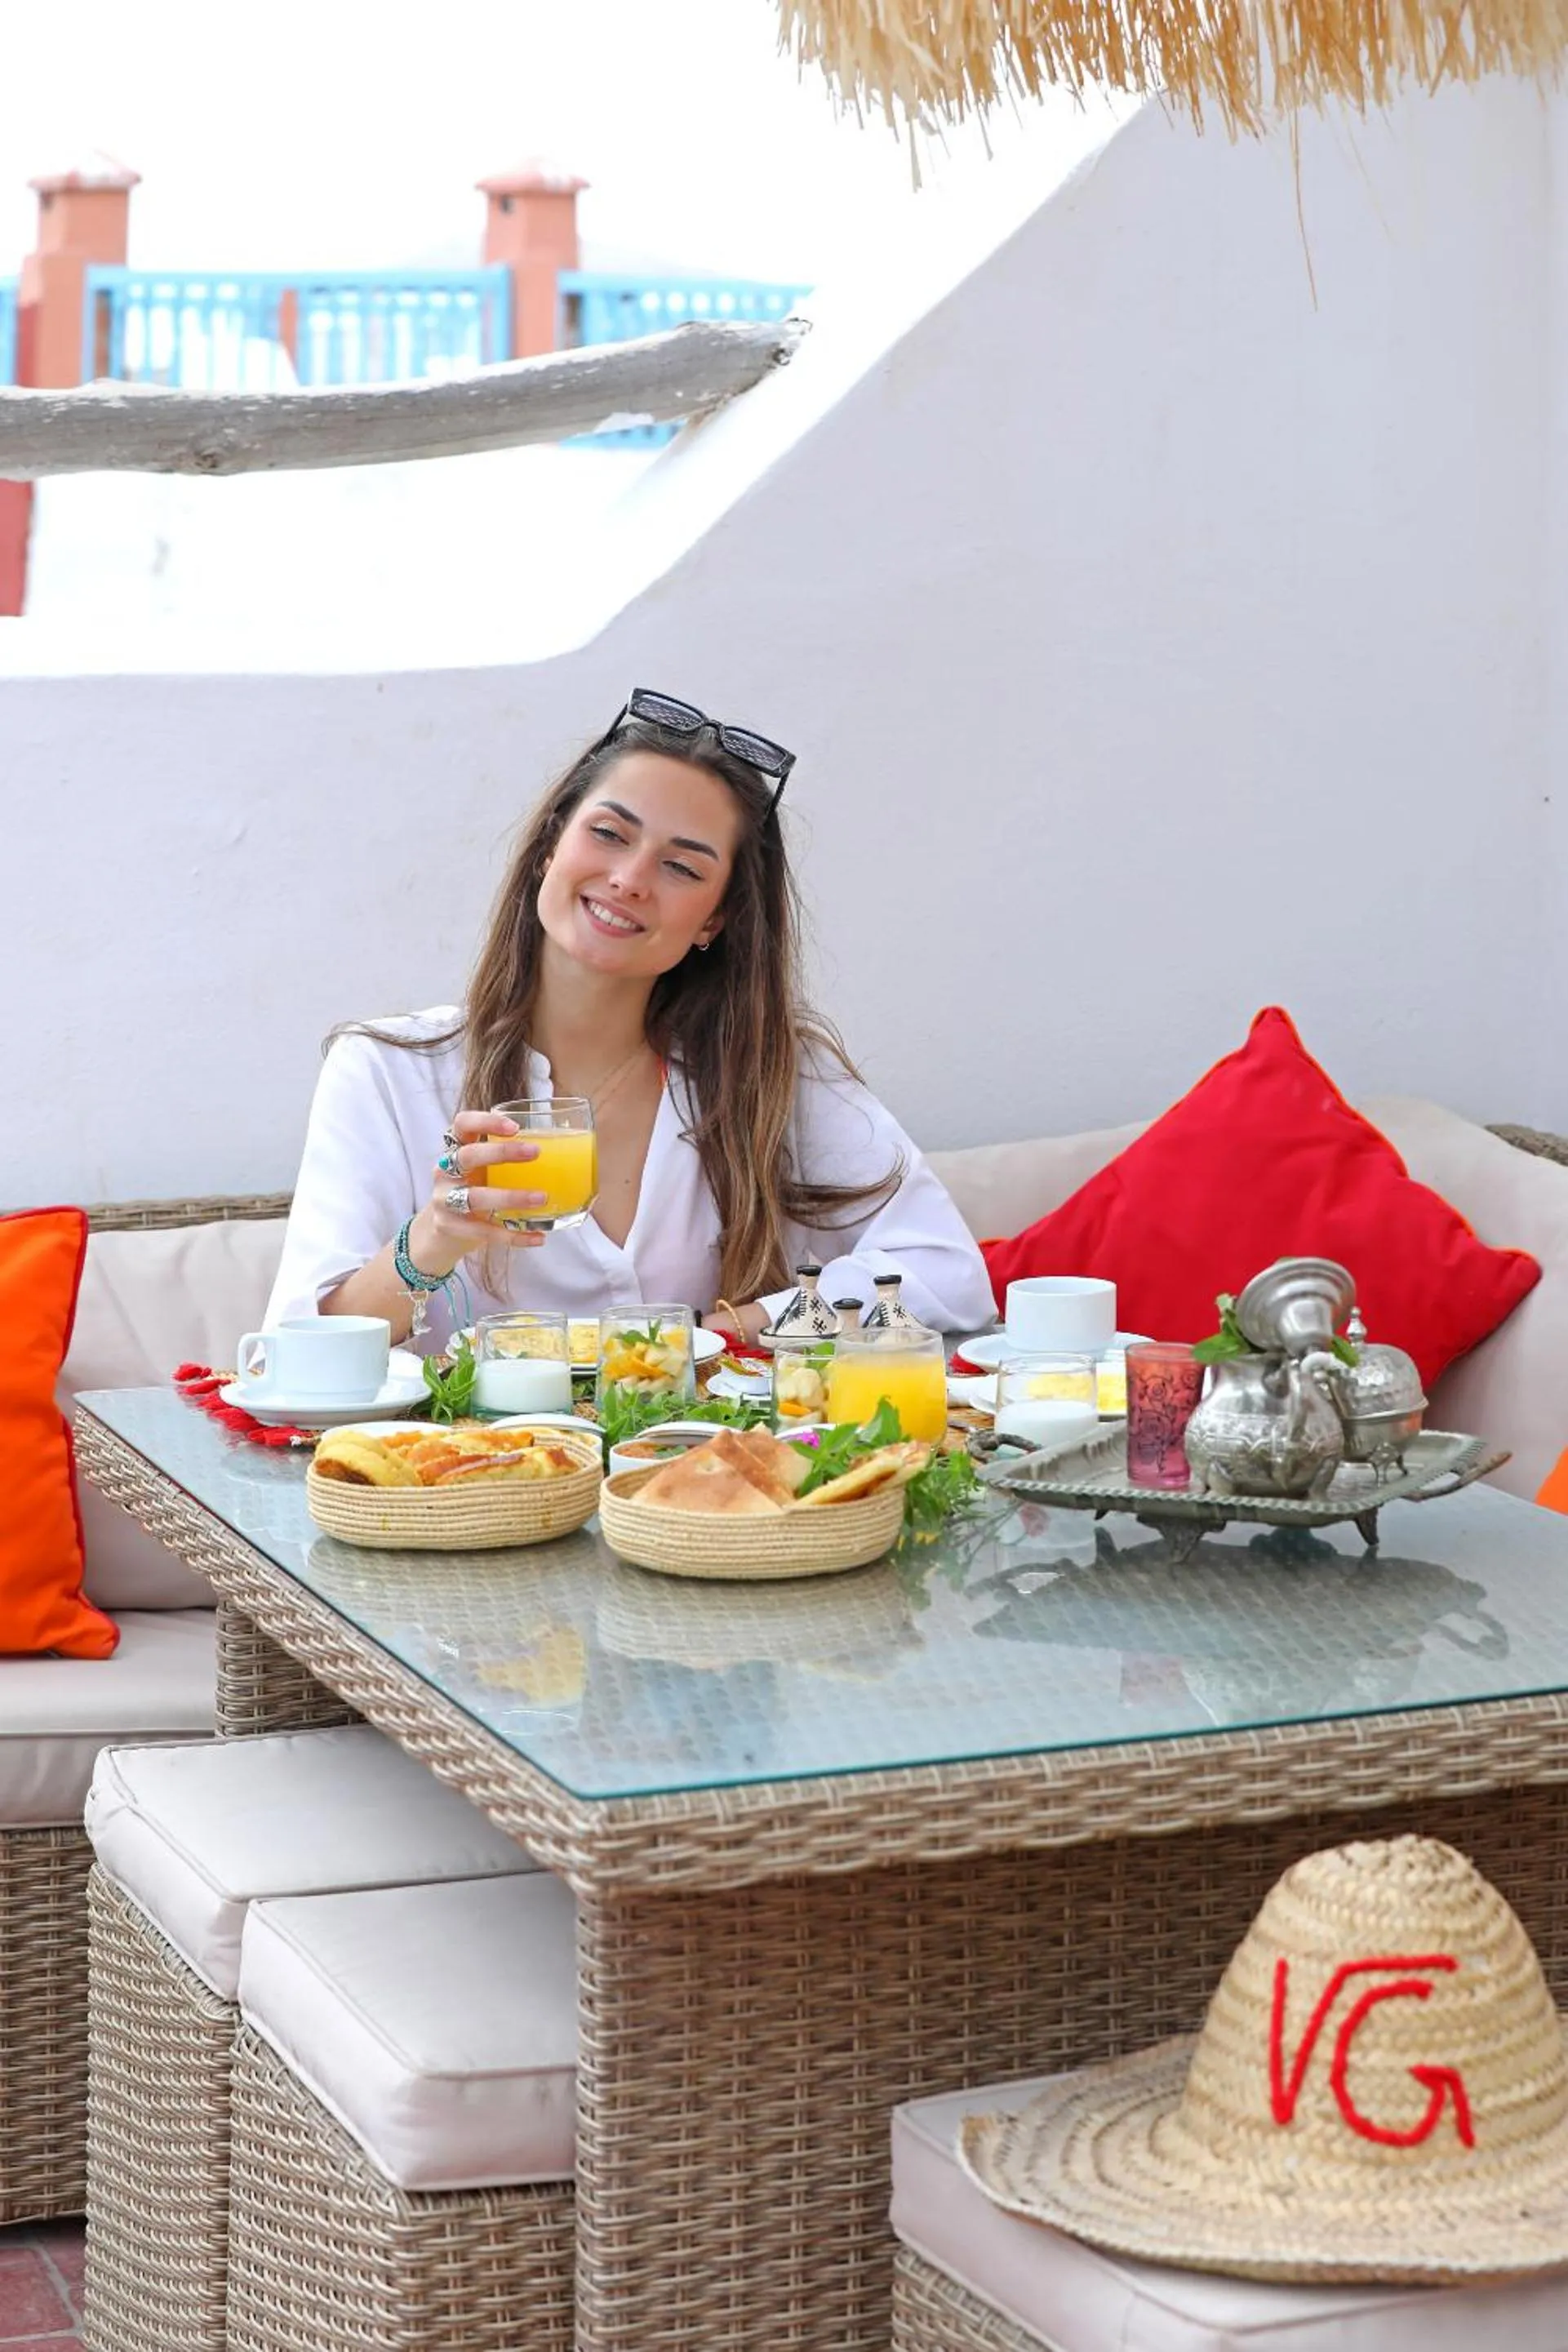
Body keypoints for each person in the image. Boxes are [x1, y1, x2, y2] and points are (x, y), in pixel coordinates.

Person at [265, 687, 994, 1351]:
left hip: (705, 1481)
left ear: (716, 918)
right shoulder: (389, 1072)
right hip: (468, 1485)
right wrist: (430, 1241)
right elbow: (298, 1354)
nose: (629, 879)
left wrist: (727, 1331)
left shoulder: (776, 1071)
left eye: (683, 868)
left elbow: (946, 1274)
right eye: (609, 833)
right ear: (552, 842)